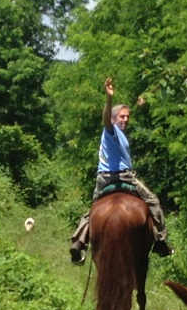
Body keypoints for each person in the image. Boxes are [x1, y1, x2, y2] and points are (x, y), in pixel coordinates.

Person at [70, 76, 172, 262]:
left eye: (127, 116)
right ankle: (161, 241)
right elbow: (106, 118)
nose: (125, 119)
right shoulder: (111, 130)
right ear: (113, 118)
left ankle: (79, 241)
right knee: (153, 201)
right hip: (123, 178)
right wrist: (109, 97)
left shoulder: (122, 135)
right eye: (122, 116)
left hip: (103, 179)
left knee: (93, 209)